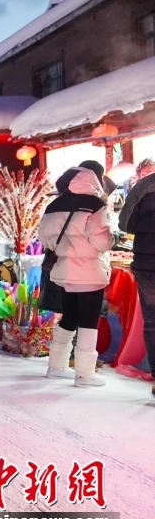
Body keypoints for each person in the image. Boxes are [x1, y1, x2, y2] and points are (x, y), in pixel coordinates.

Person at [38, 160, 117, 387]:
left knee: (69, 317)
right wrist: (114, 239)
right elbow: (102, 241)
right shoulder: (95, 204)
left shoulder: (54, 205)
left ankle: (56, 366)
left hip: (64, 270)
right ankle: (84, 374)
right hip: (89, 271)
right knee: (88, 322)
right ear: (95, 178)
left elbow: (44, 238)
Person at [118, 162, 155, 398]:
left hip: (147, 264)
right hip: (146, 264)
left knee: (152, 322)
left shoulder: (144, 185)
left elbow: (124, 223)